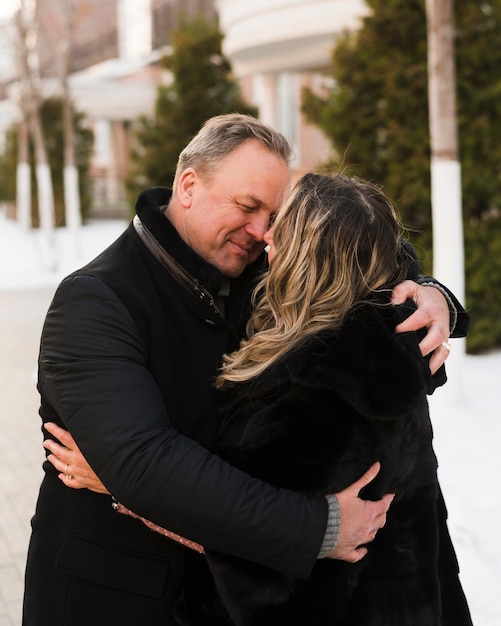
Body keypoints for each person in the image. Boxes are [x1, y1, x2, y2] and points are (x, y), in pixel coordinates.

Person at [23, 114, 468, 626]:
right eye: (248, 206)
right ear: (188, 186)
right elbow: (145, 463)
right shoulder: (96, 300)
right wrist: (318, 527)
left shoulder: (251, 262)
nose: (262, 232)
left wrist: (434, 296)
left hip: (224, 592)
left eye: (274, 217)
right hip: (115, 596)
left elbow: (353, 245)